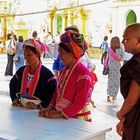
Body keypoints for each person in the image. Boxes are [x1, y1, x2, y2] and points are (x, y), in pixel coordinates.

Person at [39, 30, 93, 122]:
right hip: (63, 118)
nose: (60, 57)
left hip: (77, 120)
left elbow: (80, 102)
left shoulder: (83, 73)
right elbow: (57, 93)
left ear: (72, 53)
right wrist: (50, 107)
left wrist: (60, 114)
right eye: (59, 53)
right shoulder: (64, 70)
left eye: (62, 53)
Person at [10, 38, 57, 109]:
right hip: (21, 108)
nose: (26, 57)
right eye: (24, 54)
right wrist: (15, 98)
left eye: (29, 54)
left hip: (38, 112)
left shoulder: (47, 74)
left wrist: (40, 106)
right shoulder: (21, 71)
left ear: (37, 54)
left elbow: (52, 93)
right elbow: (12, 84)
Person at [116, 23, 140, 140]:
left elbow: (131, 101)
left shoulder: (137, 63)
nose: (123, 41)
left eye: (126, 38)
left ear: (139, 41)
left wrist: (121, 114)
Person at [105, 36, 123, 101]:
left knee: (110, 81)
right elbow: (122, 58)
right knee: (116, 81)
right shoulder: (121, 48)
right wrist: (119, 58)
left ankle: (108, 95)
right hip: (117, 67)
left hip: (110, 66)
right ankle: (114, 96)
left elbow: (107, 58)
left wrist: (106, 65)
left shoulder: (110, 48)